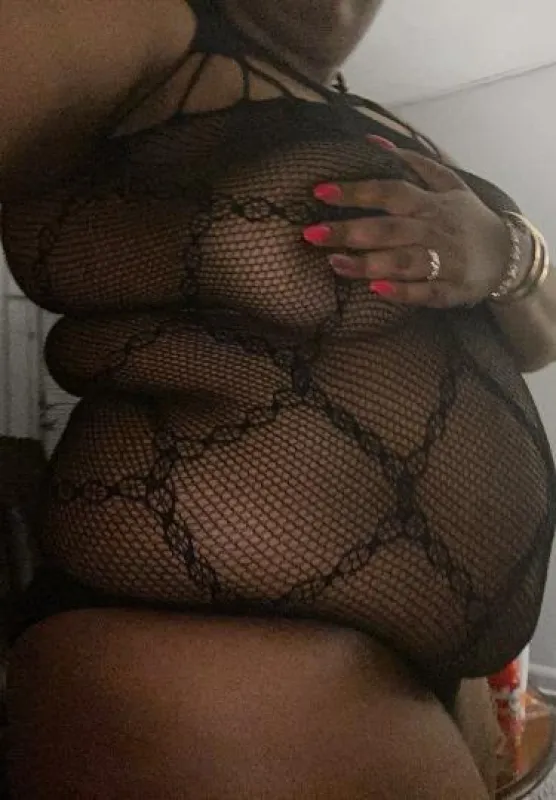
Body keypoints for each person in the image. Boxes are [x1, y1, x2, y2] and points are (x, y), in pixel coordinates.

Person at [2, 0, 556, 796]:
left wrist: (507, 253)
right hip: (215, 647)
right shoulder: (140, 23)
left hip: (432, 681)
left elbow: (538, 341)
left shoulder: (375, 119)